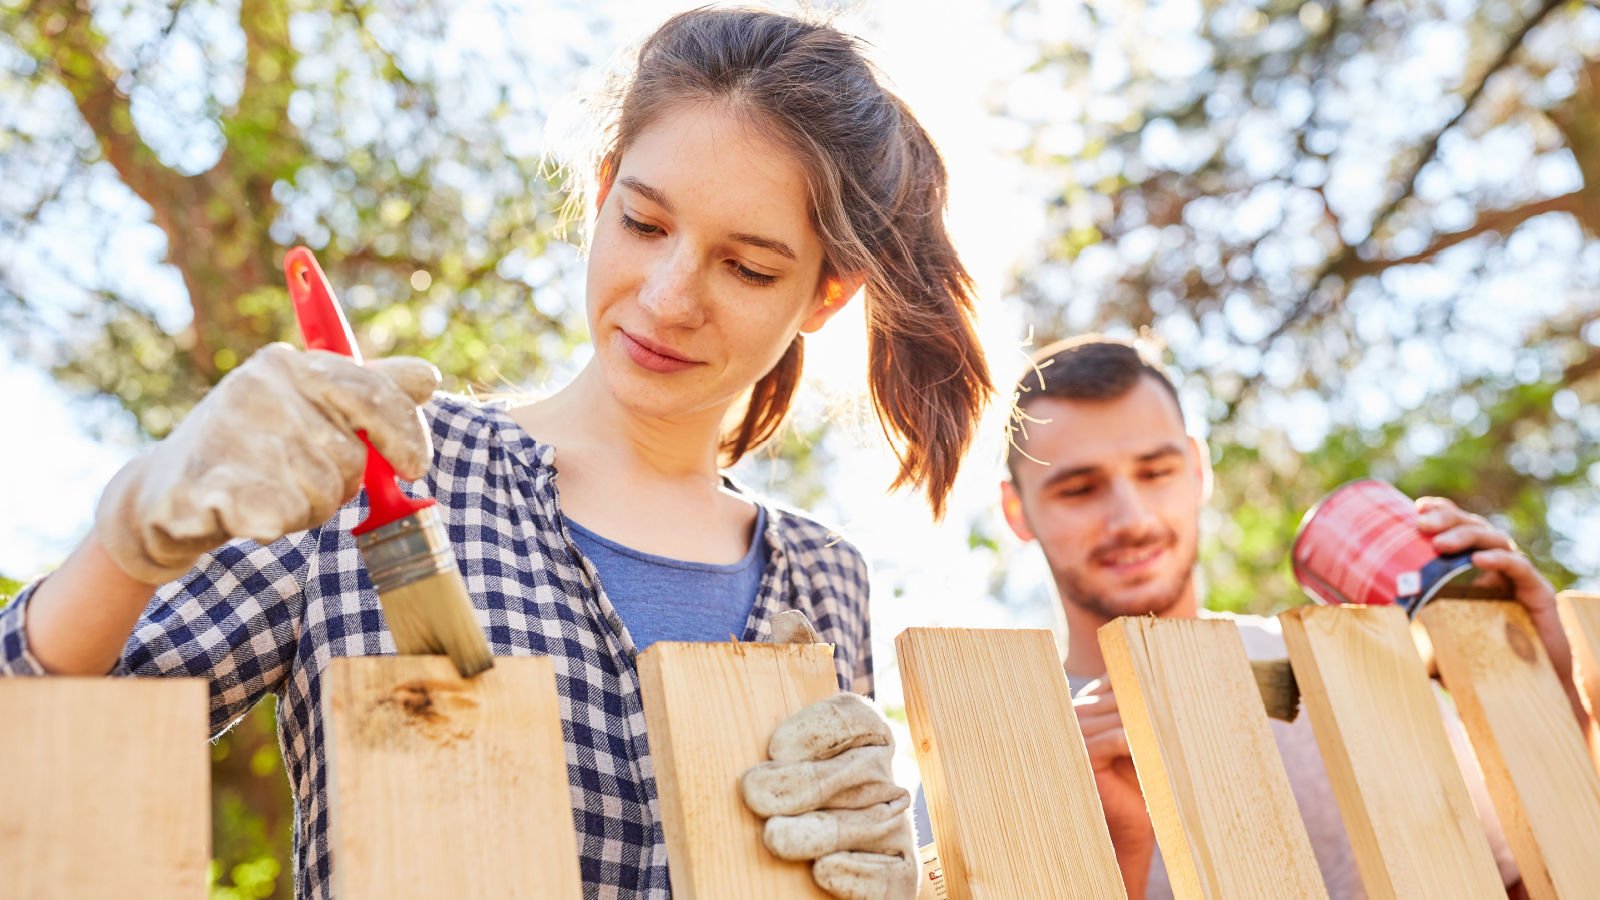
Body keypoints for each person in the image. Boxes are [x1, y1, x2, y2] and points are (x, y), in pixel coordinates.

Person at [0, 9, 991, 899]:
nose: (667, 295)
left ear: (825, 293)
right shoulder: (372, 467)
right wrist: (130, 542)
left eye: (746, 266)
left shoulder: (821, 580)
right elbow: (29, 752)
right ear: (602, 191)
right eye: (644, 223)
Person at [987, 334, 1588, 897]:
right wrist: (1116, 851)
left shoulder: (1356, 675)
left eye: (1155, 472)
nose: (1131, 517)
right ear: (1016, 511)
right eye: (1079, 489)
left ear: (1198, 470)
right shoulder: (987, 769)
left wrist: (1547, 694)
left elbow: (1534, 881)